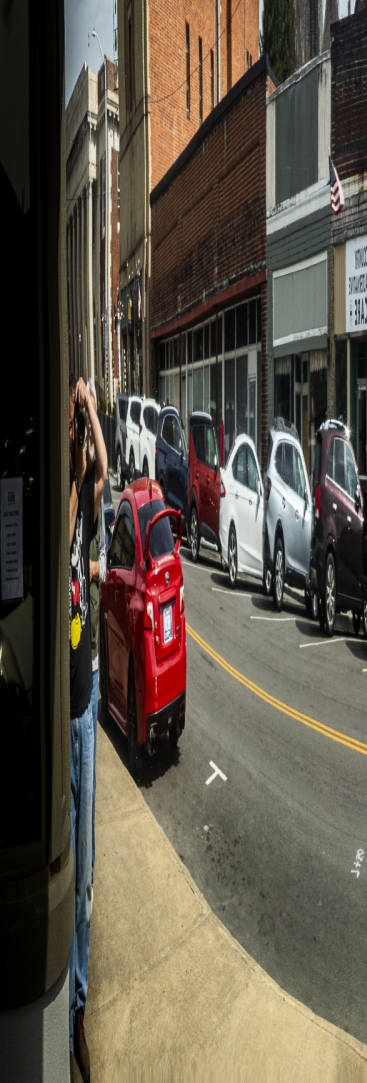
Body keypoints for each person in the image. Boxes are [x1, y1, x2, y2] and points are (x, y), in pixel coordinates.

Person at [68, 374, 107, 1083]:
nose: (81, 449)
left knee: (89, 864)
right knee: (72, 872)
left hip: (89, 691)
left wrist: (93, 413)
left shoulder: (86, 508)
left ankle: (77, 993)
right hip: (68, 709)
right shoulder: (60, 516)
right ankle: (72, 1009)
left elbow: (104, 471)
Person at [86, 379, 106, 889]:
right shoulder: (77, 500)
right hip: (81, 673)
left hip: (89, 670)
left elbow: (104, 468)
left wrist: (88, 409)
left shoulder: (88, 495)